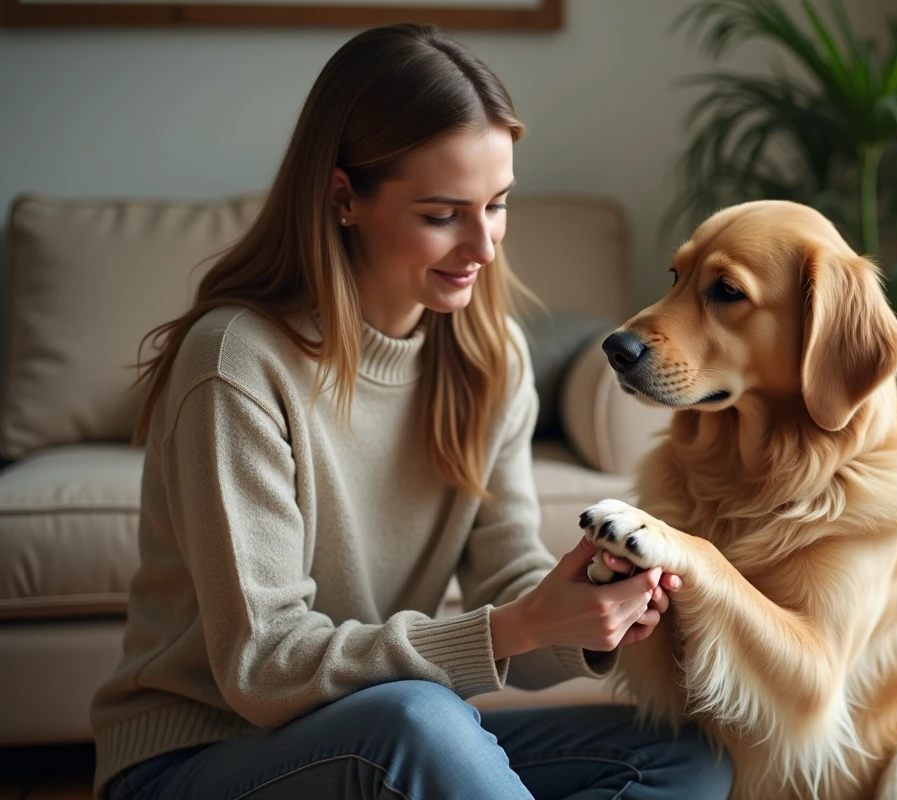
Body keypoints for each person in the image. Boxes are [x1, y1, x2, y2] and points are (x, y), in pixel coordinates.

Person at [88, 22, 733, 800]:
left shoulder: (491, 361)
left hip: (381, 733)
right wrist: (515, 628)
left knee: (687, 757)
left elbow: (511, 582)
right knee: (420, 724)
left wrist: (586, 601)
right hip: (195, 760)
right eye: (442, 214)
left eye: (496, 205)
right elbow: (264, 669)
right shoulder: (237, 364)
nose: (483, 246)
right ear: (343, 198)